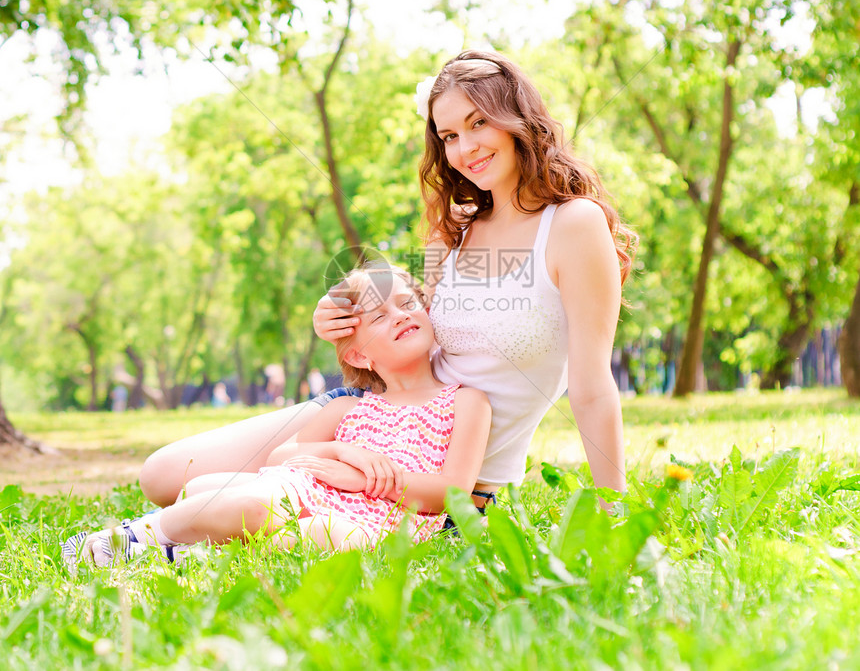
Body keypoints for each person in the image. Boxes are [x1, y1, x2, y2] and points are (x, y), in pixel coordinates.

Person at [134, 49, 634, 511]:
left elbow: (591, 388)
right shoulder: (454, 232)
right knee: (163, 477)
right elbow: (400, 321)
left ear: (517, 118)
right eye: (449, 136)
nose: (466, 148)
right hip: (373, 418)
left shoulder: (573, 226)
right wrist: (335, 317)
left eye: (478, 122)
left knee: (219, 499)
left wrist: (614, 514)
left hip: (442, 473)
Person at [61, 266, 491, 566]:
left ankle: (178, 551)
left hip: (380, 520)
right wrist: (342, 451)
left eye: (408, 303)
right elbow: (281, 457)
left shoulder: (466, 401)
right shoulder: (349, 408)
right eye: (380, 316)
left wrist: (362, 481)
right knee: (241, 497)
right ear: (359, 353)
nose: (400, 316)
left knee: (325, 536)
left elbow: (451, 491)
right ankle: (135, 538)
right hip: (301, 493)